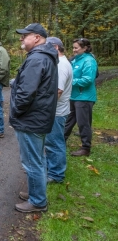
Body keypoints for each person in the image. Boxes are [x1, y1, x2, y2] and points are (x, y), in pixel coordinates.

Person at [10, 23, 58, 213]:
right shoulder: (43, 57)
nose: (22, 39)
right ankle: (35, 192)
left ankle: (38, 201)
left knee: (32, 162)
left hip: (31, 120)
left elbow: (25, 93)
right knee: (38, 158)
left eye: (25, 36)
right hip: (38, 117)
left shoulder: (37, 59)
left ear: (37, 38)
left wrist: (16, 111)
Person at [63, 38, 98, 156]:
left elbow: (88, 80)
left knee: (83, 123)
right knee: (68, 120)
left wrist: (70, 81)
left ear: (85, 48)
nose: (74, 50)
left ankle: (86, 148)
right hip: (74, 96)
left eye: (76, 48)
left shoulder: (89, 61)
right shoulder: (75, 60)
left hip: (84, 97)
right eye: (73, 47)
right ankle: (60, 141)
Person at [45, 37, 72, 183]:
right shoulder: (60, 63)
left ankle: (56, 175)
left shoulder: (61, 65)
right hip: (56, 111)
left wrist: (44, 108)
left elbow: (58, 91)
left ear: (55, 48)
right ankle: (52, 169)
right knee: (53, 142)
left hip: (56, 112)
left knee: (54, 143)